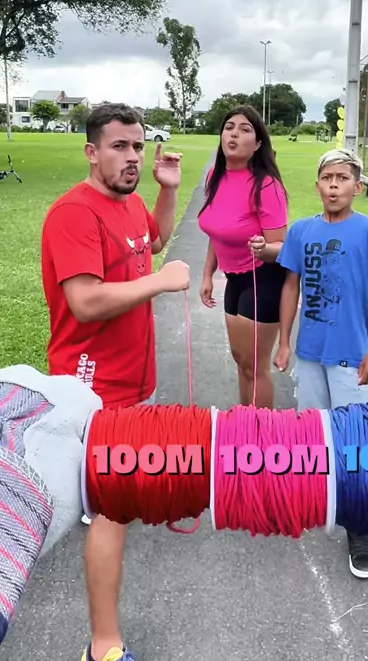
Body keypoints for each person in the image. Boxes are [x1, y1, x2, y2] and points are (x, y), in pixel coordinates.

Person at [41, 103, 190, 661]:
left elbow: (155, 242)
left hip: (135, 376)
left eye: (137, 147)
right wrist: (159, 283)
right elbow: (84, 301)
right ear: (91, 152)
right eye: (119, 147)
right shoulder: (74, 214)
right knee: (112, 509)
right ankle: (103, 644)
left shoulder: (127, 203)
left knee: (116, 497)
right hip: (94, 384)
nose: (132, 157)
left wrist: (167, 191)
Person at [273, 148, 368, 579]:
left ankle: (360, 528)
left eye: (342, 178)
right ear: (317, 185)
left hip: (352, 357)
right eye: (327, 178)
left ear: (357, 187)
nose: (333, 185)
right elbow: (290, 286)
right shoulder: (301, 231)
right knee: (312, 432)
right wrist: (284, 342)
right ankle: (313, 498)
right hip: (310, 353)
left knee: (355, 442)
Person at [197, 105, 288, 409]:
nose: (234, 134)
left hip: (263, 278)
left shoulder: (266, 185)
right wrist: (207, 274)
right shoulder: (215, 176)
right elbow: (217, 231)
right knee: (240, 360)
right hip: (234, 279)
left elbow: (281, 247)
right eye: (229, 127)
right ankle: (245, 423)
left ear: (258, 143)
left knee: (254, 366)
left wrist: (264, 247)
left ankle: (262, 431)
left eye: (245, 129)